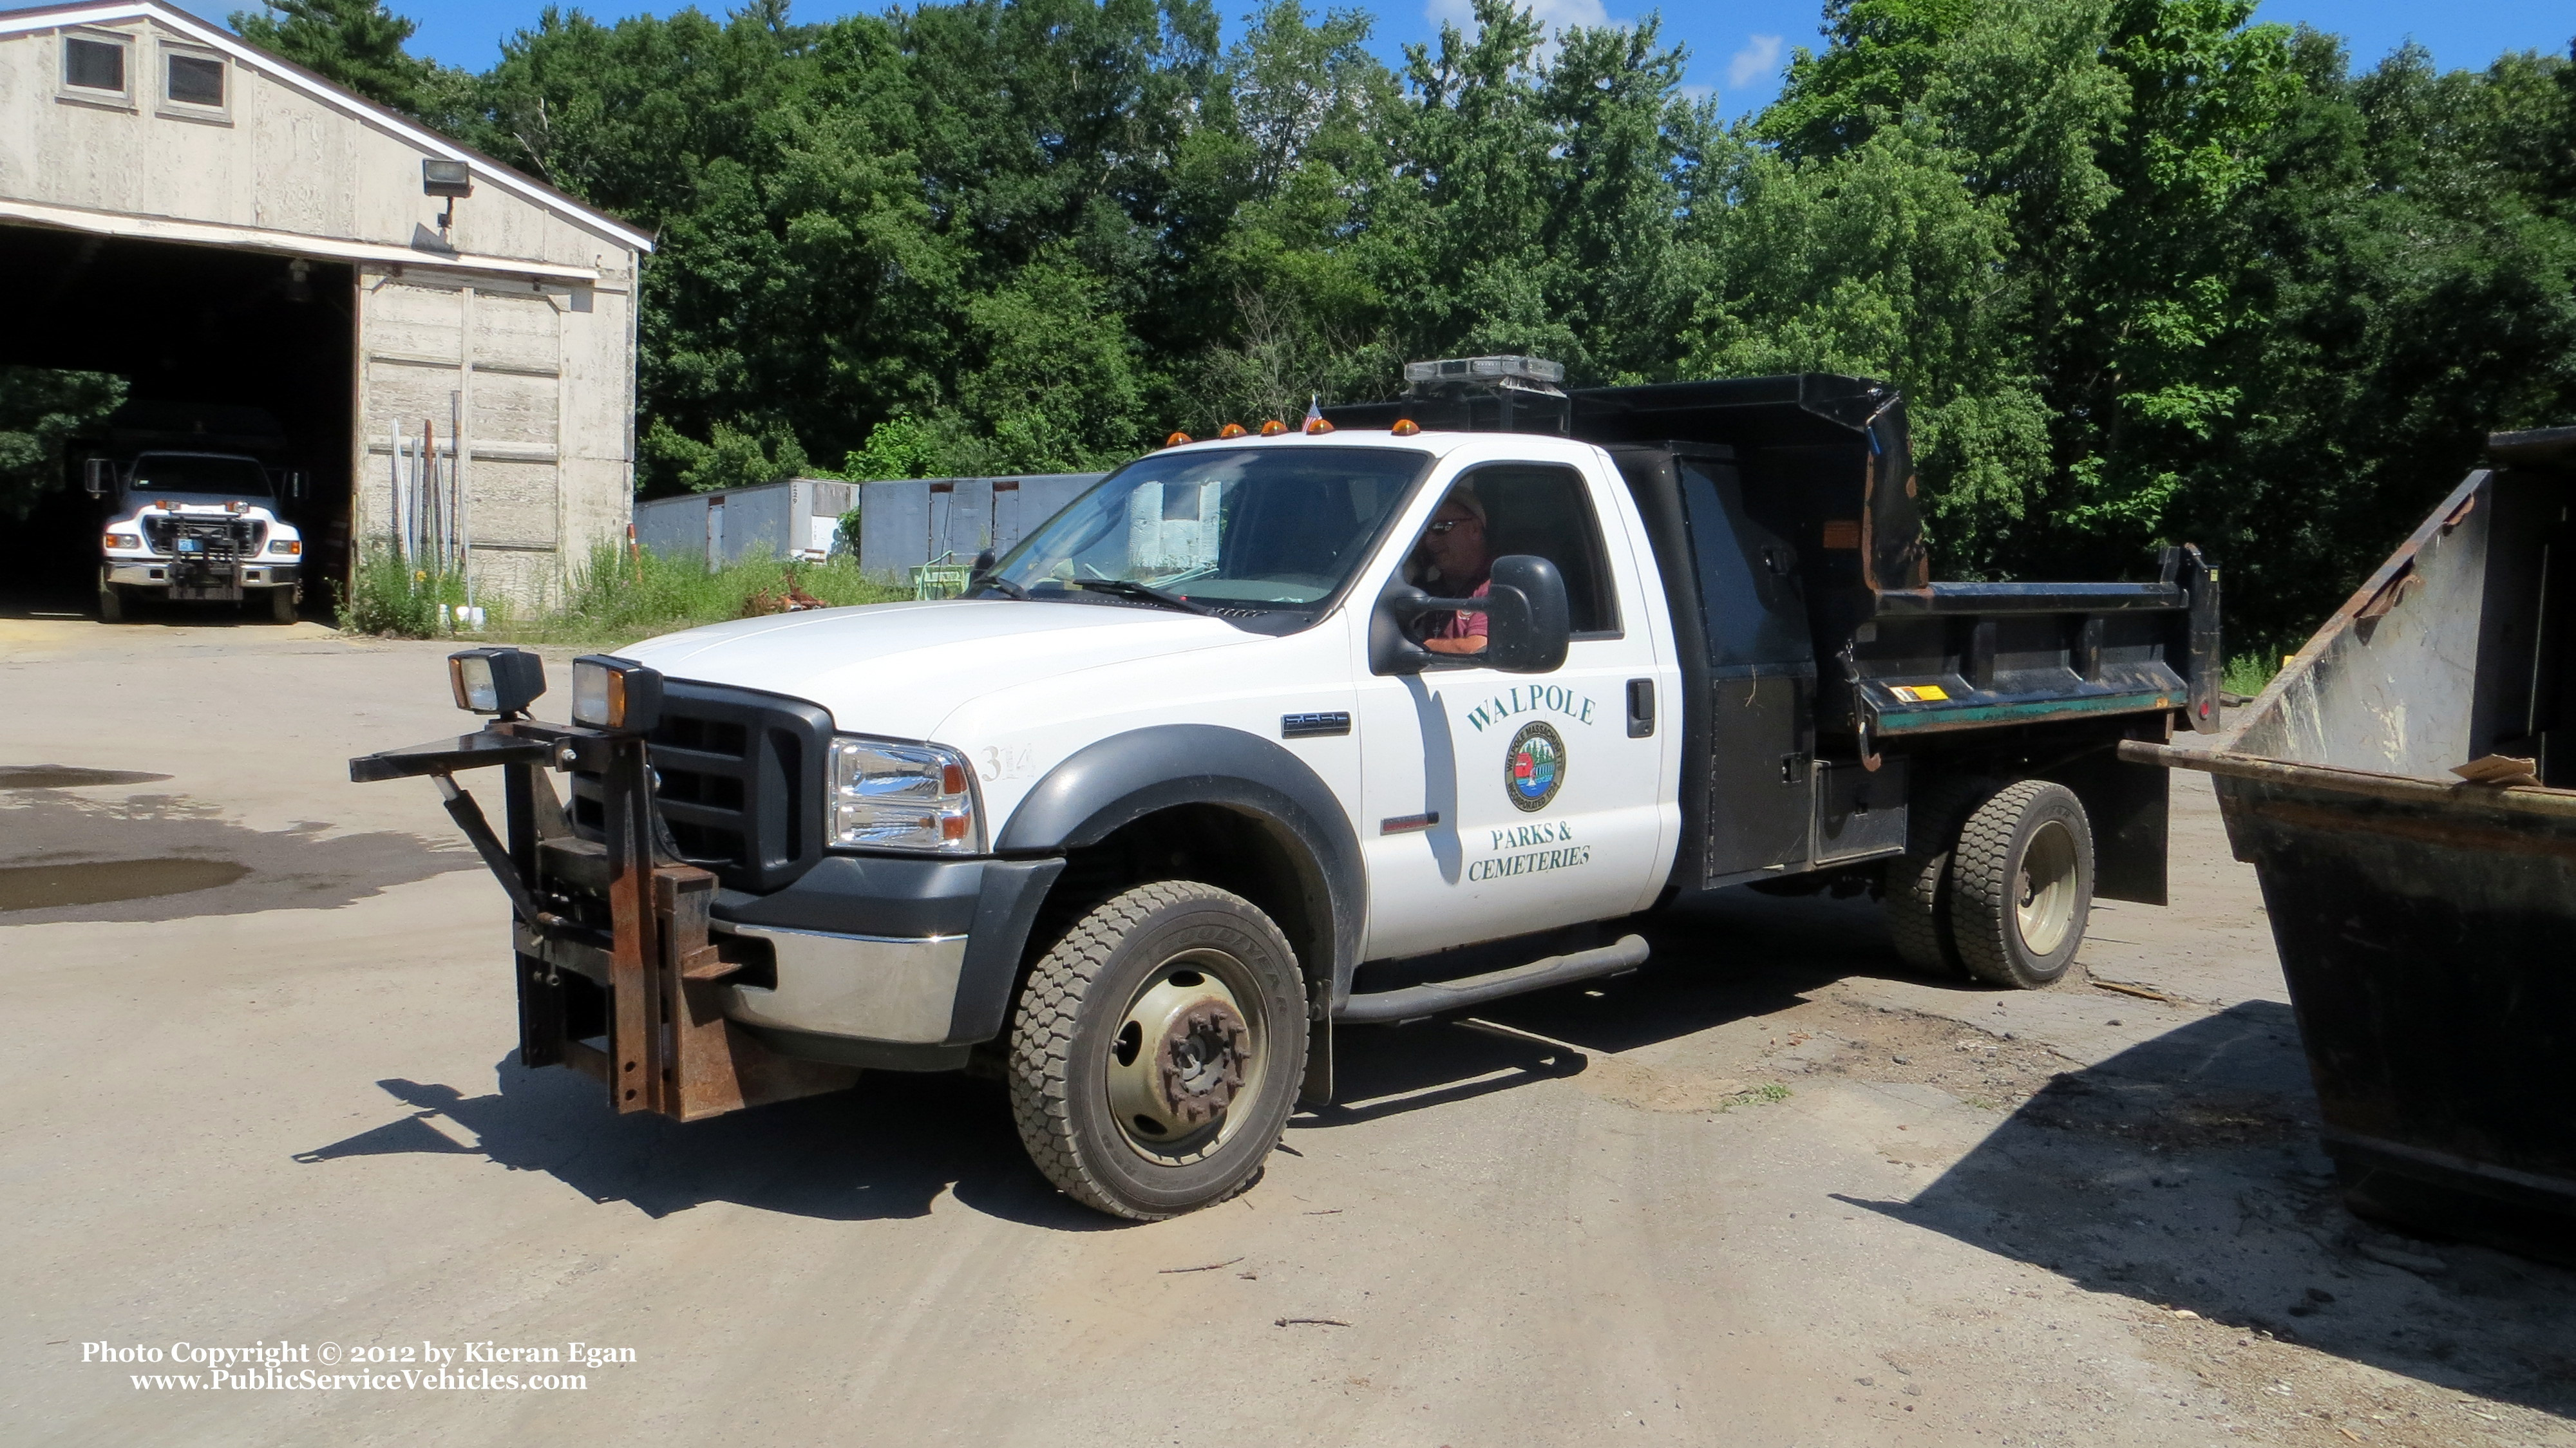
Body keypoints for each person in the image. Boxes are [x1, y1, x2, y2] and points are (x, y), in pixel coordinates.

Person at [1416, 483, 1490, 655]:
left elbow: (1477, 648)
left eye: (1442, 528)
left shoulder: (1497, 585)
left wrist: (1419, 646)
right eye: (1424, 532)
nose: (1430, 541)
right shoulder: (1428, 590)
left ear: (1474, 530)